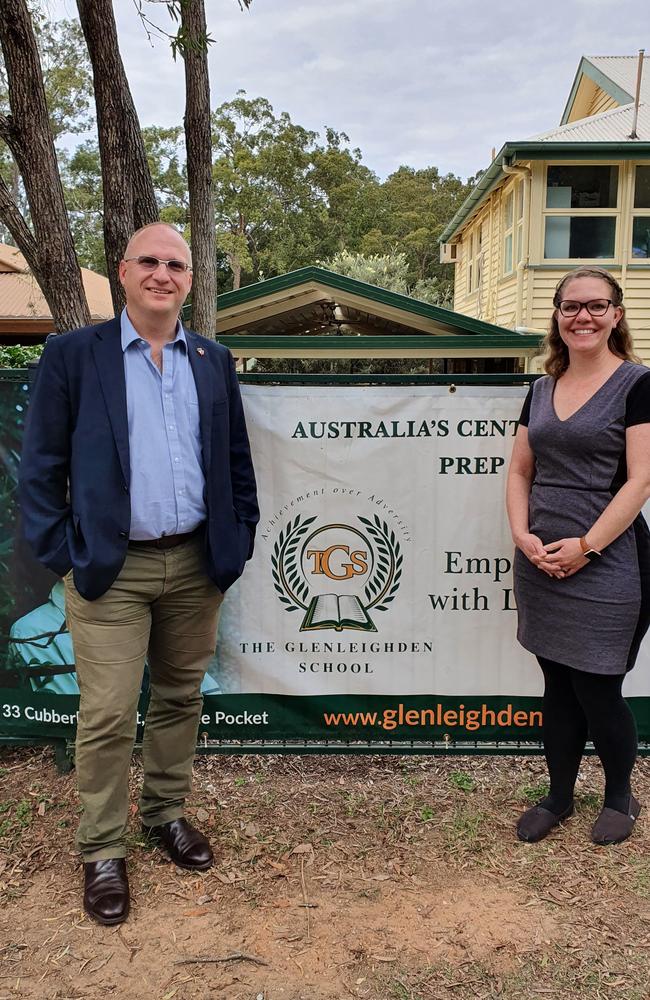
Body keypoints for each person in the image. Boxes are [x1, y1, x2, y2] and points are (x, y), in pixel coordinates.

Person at [19, 222, 259, 925]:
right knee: (107, 714)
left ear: (190, 278)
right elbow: (41, 472)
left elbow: (236, 464)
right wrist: (66, 554)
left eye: (175, 264)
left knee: (181, 697)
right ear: (123, 273)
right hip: (110, 568)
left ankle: (165, 814)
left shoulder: (213, 361)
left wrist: (235, 542)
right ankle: (100, 850)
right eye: (149, 261)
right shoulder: (72, 356)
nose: (162, 273)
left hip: (195, 563)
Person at [507, 267, 650, 846]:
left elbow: (641, 481)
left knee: (598, 688)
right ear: (557, 317)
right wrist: (522, 535)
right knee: (556, 685)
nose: (582, 317)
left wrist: (588, 547)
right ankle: (559, 797)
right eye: (570, 307)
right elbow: (520, 470)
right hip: (541, 561)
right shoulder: (539, 389)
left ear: (616, 314)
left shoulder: (638, 384)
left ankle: (620, 796)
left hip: (610, 562)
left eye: (596, 306)